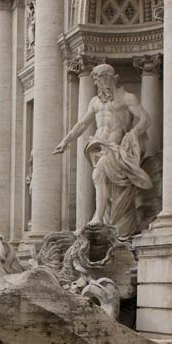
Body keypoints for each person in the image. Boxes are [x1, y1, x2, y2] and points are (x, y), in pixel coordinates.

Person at [54, 63, 153, 236]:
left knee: (97, 175)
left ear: (112, 78)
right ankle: (103, 219)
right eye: (97, 81)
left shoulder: (126, 98)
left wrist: (130, 138)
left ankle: (98, 217)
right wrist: (66, 140)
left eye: (103, 79)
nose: (100, 84)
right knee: (107, 188)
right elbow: (83, 124)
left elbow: (145, 119)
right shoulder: (95, 102)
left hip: (116, 148)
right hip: (98, 147)